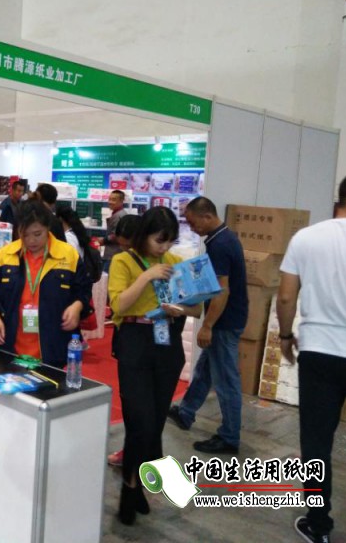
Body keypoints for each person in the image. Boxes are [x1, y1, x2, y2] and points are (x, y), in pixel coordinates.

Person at [276, 172, 346, 543]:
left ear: (338, 201)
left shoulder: (306, 238)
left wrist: (285, 336)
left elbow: (285, 297)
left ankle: (318, 524)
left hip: (318, 352)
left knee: (316, 443)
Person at [108, 206, 201, 525]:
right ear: (144, 235)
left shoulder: (176, 262)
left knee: (155, 423)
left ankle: (136, 488)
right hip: (135, 341)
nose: (164, 247)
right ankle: (129, 487)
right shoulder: (123, 261)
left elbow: (197, 308)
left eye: (170, 241)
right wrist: (147, 276)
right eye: (159, 240)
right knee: (140, 421)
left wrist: (178, 308)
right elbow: (118, 305)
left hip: (167, 345)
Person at [167, 197, 248, 454]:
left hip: (225, 321)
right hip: (227, 318)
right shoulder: (221, 238)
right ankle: (186, 412)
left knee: (226, 381)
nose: (192, 229)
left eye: (193, 223)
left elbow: (222, 290)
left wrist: (208, 326)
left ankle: (229, 437)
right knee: (205, 370)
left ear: (207, 216)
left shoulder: (221, 244)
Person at [0, 200, 92, 367]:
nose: (31, 241)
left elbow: (83, 289)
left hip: (53, 348)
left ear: (48, 228)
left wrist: (76, 306)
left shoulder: (68, 254)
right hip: (11, 346)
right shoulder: (5, 255)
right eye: (24, 235)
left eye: (37, 234)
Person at [106, 212, 143, 468]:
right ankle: (133, 451)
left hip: (148, 342)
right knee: (130, 398)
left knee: (139, 403)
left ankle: (136, 453)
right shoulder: (121, 262)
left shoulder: (167, 262)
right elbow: (117, 304)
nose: (125, 251)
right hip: (128, 335)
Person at [102, 189, 128, 272]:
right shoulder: (116, 213)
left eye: (113, 200)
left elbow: (116, 235)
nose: (110, 202)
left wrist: (103, 240)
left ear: (121, 201)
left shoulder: (120, 215)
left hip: (114, 254)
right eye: (109, 199)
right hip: (111, 253)